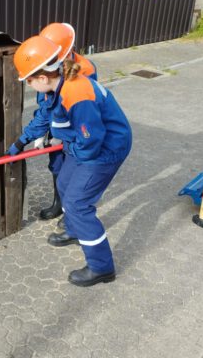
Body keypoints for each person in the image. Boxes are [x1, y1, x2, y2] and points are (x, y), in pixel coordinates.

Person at [8, 36, 132, 286]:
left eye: (29, 80)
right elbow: (48, 119)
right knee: (64, 183)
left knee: (77, 204)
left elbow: (91, 140)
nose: (29, 85)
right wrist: (21, 142)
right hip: (85, 144)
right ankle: (76, 231)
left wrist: (66, 145)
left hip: (106, 149)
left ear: (43, 78)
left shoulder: (76, 92)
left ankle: (101, 267)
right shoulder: (55, 86)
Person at [36, 23, 98, 221]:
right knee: (56, 165)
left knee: (74, 169)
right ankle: (58, 204)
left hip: (74, 129)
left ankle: (71, 212)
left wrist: (64, 136)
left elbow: (80, 111)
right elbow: (45, 104)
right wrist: (41, 132)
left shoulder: (85, 70)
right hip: (56, 125)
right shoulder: (48, 66)